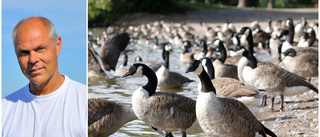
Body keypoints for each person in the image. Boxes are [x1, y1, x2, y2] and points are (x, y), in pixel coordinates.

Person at [2, 16, 87, 137]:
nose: (33, 59)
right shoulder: (4, 109)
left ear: (57, 46)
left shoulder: (84, 103)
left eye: (40, 49)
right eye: (24, 52)